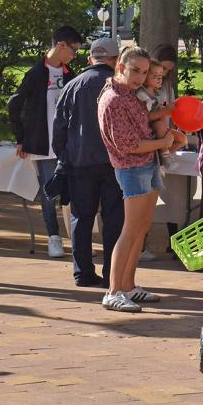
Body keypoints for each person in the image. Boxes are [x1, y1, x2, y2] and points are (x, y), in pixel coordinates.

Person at [99, 46, 181, 312]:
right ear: (120, 66)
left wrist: (166, 140)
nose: (139, 77)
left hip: (148, 164)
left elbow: (144, 127)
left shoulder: (131, 95)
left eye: (144, 72)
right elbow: (128, 146)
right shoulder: (113, 99)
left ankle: (128, 285)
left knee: (141, 227)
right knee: (130, 229)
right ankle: (113, 290)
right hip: (132, 168)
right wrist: (163, 141)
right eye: (135, 70)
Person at [52, 38, 126, 288]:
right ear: (116, 61)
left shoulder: (72, 85)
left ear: (90, 59)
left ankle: (82, 271)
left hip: (79, 161)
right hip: (114, 161)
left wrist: (65, 156)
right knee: (114, 218)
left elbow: (58, 128)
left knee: (81, 218)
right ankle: (112, 273)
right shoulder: (119, 86)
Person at [8, 26, 82, 259]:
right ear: (61, 45)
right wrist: (21, 138)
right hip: (43, 145)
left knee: (74, 191)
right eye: (73, 50)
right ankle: (53, 237)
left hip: (68, 146)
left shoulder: (71, 76)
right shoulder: (36, 74)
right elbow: (14, 104)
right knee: (49, 193)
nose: (73, 56)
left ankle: (77, 238)